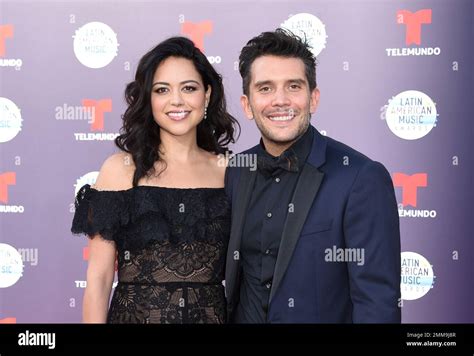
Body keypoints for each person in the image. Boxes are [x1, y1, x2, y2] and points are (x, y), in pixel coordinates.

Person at [224, 29, 401, 323]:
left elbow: (378, 304)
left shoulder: (361, 178)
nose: (280, 100)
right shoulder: (236, 172)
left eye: (293, 86)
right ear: (247, 105)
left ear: (313, 98)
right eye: (265, 88)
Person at [71, 36, 239, 323]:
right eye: (163, 89)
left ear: (207, 95)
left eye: (189, 88)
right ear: (149, 98)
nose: (177, 100)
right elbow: (98, 280)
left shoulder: (230, 171)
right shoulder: (119, 170)